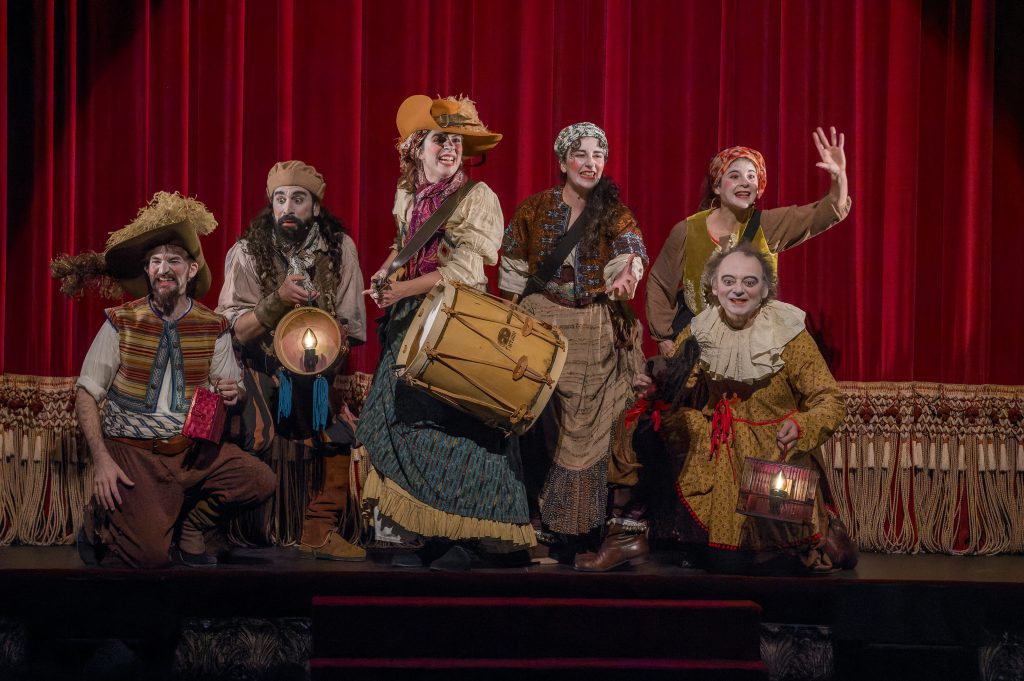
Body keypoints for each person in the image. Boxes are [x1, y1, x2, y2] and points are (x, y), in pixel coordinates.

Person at [51, 191, 278, 568]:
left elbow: (231, 390)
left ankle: (191, 524)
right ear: (148, 272)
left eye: (174, 260)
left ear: (192, 270)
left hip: (193, 452)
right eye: (155, 261)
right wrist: (102, 460)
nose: (164, 268)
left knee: (259, 479)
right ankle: (99, 523)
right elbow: (87, 394)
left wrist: (233, 393)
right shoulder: (122, 321)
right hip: (135, 453)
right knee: (150, 558)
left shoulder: (215, 327)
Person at [357, 94, 534, 571]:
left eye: (456, 142)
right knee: (400, 421)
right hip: (408, 320)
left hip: (453, 322)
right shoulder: (409, 192)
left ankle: (475, 536)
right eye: (441, 140)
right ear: (416, 147)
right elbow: (403, 243)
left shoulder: (477, 198)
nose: (451, 149)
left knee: (457, 429)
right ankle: (417, 531)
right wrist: (386, 272)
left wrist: (402, 289)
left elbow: (465, 272)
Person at [643, 242, 854, 573]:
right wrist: (651, 381)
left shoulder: (786, 332)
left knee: (776, 562)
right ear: (714, 287)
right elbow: (676, 380)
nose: (738, 290)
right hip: (722, 453)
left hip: (775, 453)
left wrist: (801, 425)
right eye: (728, 281)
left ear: (765, 289)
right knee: (726, 561)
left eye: (749, 282)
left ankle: (822, 531)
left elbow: (830, 399)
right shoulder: (702, 329)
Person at [499, 122, 648, 568]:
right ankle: (537, 525)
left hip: (598, 325)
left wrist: (625, 274)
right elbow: (512, 270)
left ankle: (587, 531)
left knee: (597, 429)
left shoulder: (614, 212)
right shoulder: (533, 209)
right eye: (580, 154)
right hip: (543, 324)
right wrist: (507, 325)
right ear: (563, 162)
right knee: (541, 424)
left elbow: (631, 248)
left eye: (598, 155)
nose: (590, 163)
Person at [217, 160, 368, 561]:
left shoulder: (340, 249)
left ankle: (318, 530)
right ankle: (235, 532)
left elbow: (351, 326)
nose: (287, 207)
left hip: (318, 373)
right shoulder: (247, 251)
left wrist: (322, 351)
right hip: (260, 369)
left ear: (315, 207)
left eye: (298, 199)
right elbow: (234, 330)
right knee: (250, 432)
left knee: (340, 433)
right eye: (280, 199)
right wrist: (277, 301)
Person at [646, 128, 851, 356]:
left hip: (752, 346)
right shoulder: (687, 230)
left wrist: (839, 177)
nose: (745, 183)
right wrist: (663, 337)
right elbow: (660, 282)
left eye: (751, 177)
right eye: (734, 176)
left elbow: (825, 212)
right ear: (717, 186)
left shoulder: (768, 225)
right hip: (699, 344)